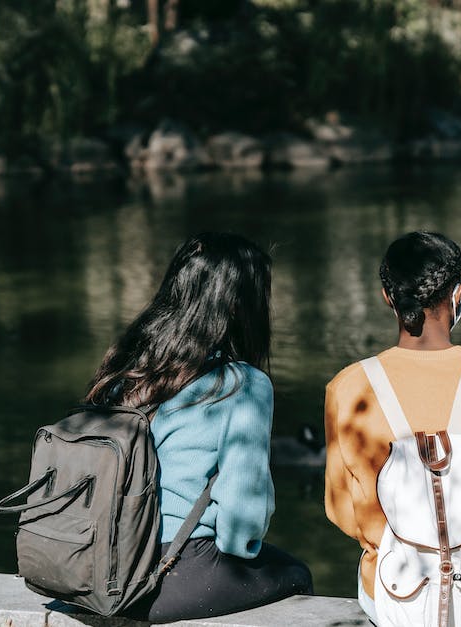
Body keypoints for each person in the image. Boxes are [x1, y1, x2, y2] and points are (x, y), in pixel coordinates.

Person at [323, 231, 461, 626]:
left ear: (387, 298)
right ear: (457, 295)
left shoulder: (348, 388)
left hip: (397, 599)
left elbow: (342, 513)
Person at [83, 232, 312, 622]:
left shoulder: (128, 369)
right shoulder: (242, 384)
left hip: (94, 564)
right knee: (296, 576)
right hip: (167, 569)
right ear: (241, 307)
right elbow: (242, 519)